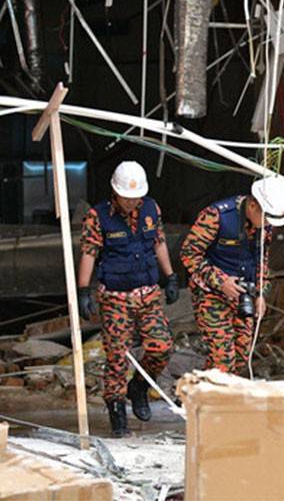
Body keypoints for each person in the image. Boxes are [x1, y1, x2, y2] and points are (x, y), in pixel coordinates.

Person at [76, 161, 179, 437]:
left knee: (162, 346)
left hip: (148, 293)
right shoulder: (98, 216)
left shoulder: (151, 209)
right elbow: (89, 253)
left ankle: (139, 387)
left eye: (136, 197)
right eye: (126, 197)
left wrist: (170, 276)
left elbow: (159, 242)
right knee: (117, 357)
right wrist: (83, 290)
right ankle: (117, 412)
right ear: (115, 192)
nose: (132, 202)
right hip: (115, 297)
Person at [180, 176, 284, 374]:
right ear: (253, 205)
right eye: (266, 219)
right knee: (222, 358)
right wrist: (221, 281)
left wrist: (261, 293)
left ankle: (204, 388)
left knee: (242, 357)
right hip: (211, 294)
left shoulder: (265, 224)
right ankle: (212, 392)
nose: (268, 224)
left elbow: (261, 259)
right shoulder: (217, 216)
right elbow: (188, 254)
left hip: (243, 295)